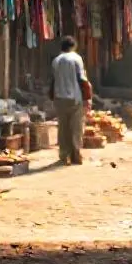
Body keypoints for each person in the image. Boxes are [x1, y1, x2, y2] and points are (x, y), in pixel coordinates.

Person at [48, 36, 90, 166]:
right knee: (76, 127)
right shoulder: (76, 58)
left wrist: (52, 96)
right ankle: (76, 155)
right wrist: (87, 98)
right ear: (73, 46)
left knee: (63, 127)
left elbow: (53, 80)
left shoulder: (56, 61)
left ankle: (64, 155)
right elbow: (82, 80)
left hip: (60, 98)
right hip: (74, 98)